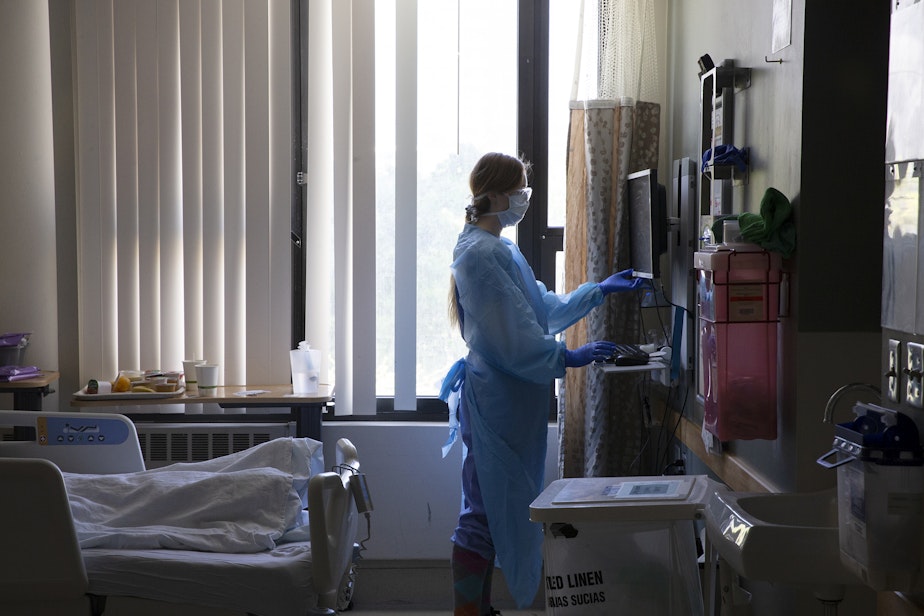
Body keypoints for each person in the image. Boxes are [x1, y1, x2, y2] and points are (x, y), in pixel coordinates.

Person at [439, 152, 642, 615]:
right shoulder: (479, 255)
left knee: (497, 509)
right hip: (496, 404)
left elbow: (540, 309)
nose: (524, 201)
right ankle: (468, 611)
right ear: (493, 195)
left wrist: (598, 290)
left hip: (509, 404)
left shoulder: (498, 249)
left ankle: (480, 609)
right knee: (483, 513)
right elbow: (510, 336)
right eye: (519, 192)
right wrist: (567, 356)